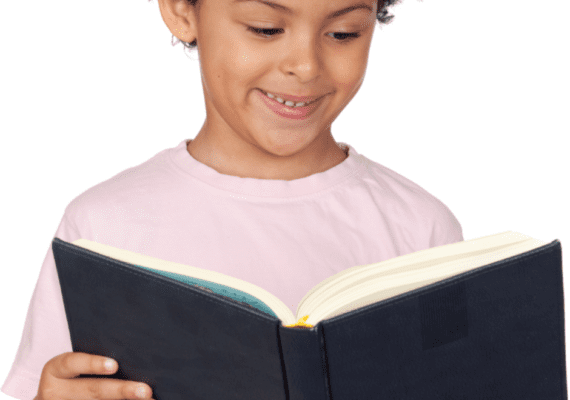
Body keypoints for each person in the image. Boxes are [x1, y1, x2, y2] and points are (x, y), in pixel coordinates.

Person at [1, 0, 463, 399]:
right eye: (266, 28)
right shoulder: (102, 227)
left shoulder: (423, 228)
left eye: (343, 33)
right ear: (183, 11)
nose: (306, 65)